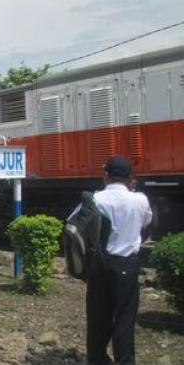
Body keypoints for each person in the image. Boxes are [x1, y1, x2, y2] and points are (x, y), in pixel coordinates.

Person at [85, 156, 152, 365]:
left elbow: (78, 225)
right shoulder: (141, 199)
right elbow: (146, 221)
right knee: (124, 318)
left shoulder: (96, 199)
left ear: (106, 175)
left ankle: (97, 359)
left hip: (101, 265)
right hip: (127, 266)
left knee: (98, 317)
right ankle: (125, 361)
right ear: (129, 177)